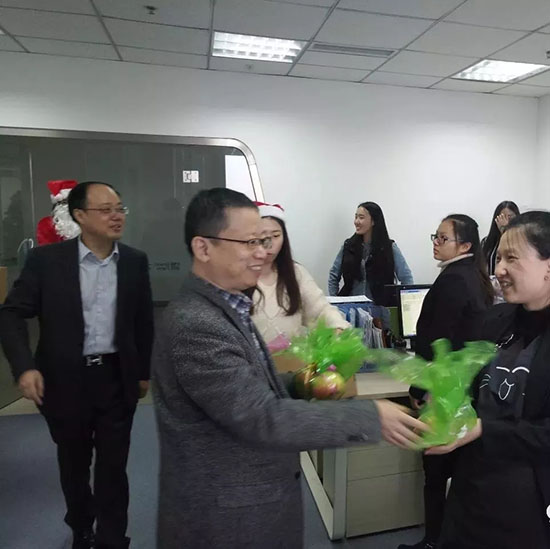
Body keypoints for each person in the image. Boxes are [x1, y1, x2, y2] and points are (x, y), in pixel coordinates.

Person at [152, 188, 427, 549]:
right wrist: (370, 417)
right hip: (226, 519)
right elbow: (262, 417)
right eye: (248, 242)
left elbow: (251, 385)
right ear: (203, 248)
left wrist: (300, 383)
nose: (261, 252)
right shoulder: (198, 324)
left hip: (252, 501)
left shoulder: (228, 303)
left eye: (264, 240)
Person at [0, 181, 154, 549]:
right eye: (105, 210)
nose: (116, 216)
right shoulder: (47, 262)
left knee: (113, 466)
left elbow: (142, 321)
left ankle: (113, 538)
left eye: (119, 209)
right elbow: (11, 313)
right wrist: (24, 367)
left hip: (115, 378)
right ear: (80, 215)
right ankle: (82, 527)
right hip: (64, 381)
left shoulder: (134, 261)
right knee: (74, 462)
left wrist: (143, 372)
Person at [425, 211, 550, 549]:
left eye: (512, 258)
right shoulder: (493, 321)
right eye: (498, 258)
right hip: (473, 495)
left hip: (532, 506)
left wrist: (484, 429)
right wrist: (444, 401)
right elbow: (466, 387)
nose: (499, 270)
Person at [401, 214, 494, 549]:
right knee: (457, 470)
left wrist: (418, 387)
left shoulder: (453, 280)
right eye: (435, 237)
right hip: (466, 390)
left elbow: (438, 343)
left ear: (465, 245)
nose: (436, 244)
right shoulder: (473, 277)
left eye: (443, 238)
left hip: (445, 392)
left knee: (436, 471)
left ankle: (433, 542)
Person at [251, 201, 348, 346]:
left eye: (276, 236)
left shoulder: (295, 273)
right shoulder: (238, 277)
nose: (269, 245)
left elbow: (320, 309)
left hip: (293, 358)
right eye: (262, 237)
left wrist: (337, 326)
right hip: (249, 359)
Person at [328, 201, 413, 304]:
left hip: (380, 308)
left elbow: (406, 278)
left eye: (361, 217)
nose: (356, 221)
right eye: (356, 217)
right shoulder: (348, 246)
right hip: (351, 308)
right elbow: (333, 275)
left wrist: (403, 304)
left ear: (373, 221)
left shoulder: (389, 247)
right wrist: (335, 302)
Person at [36, 179, 81, 245]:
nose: (69, 206)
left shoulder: (87, 220)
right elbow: (46, 248)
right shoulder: (46, 224)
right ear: (58, 204)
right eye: (65, 202)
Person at [481, 200, 520, 276]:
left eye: (510, 217)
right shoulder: (486, 241)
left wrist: (504, 230)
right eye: (502, 217)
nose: (506, 221)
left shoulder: (520, 241)